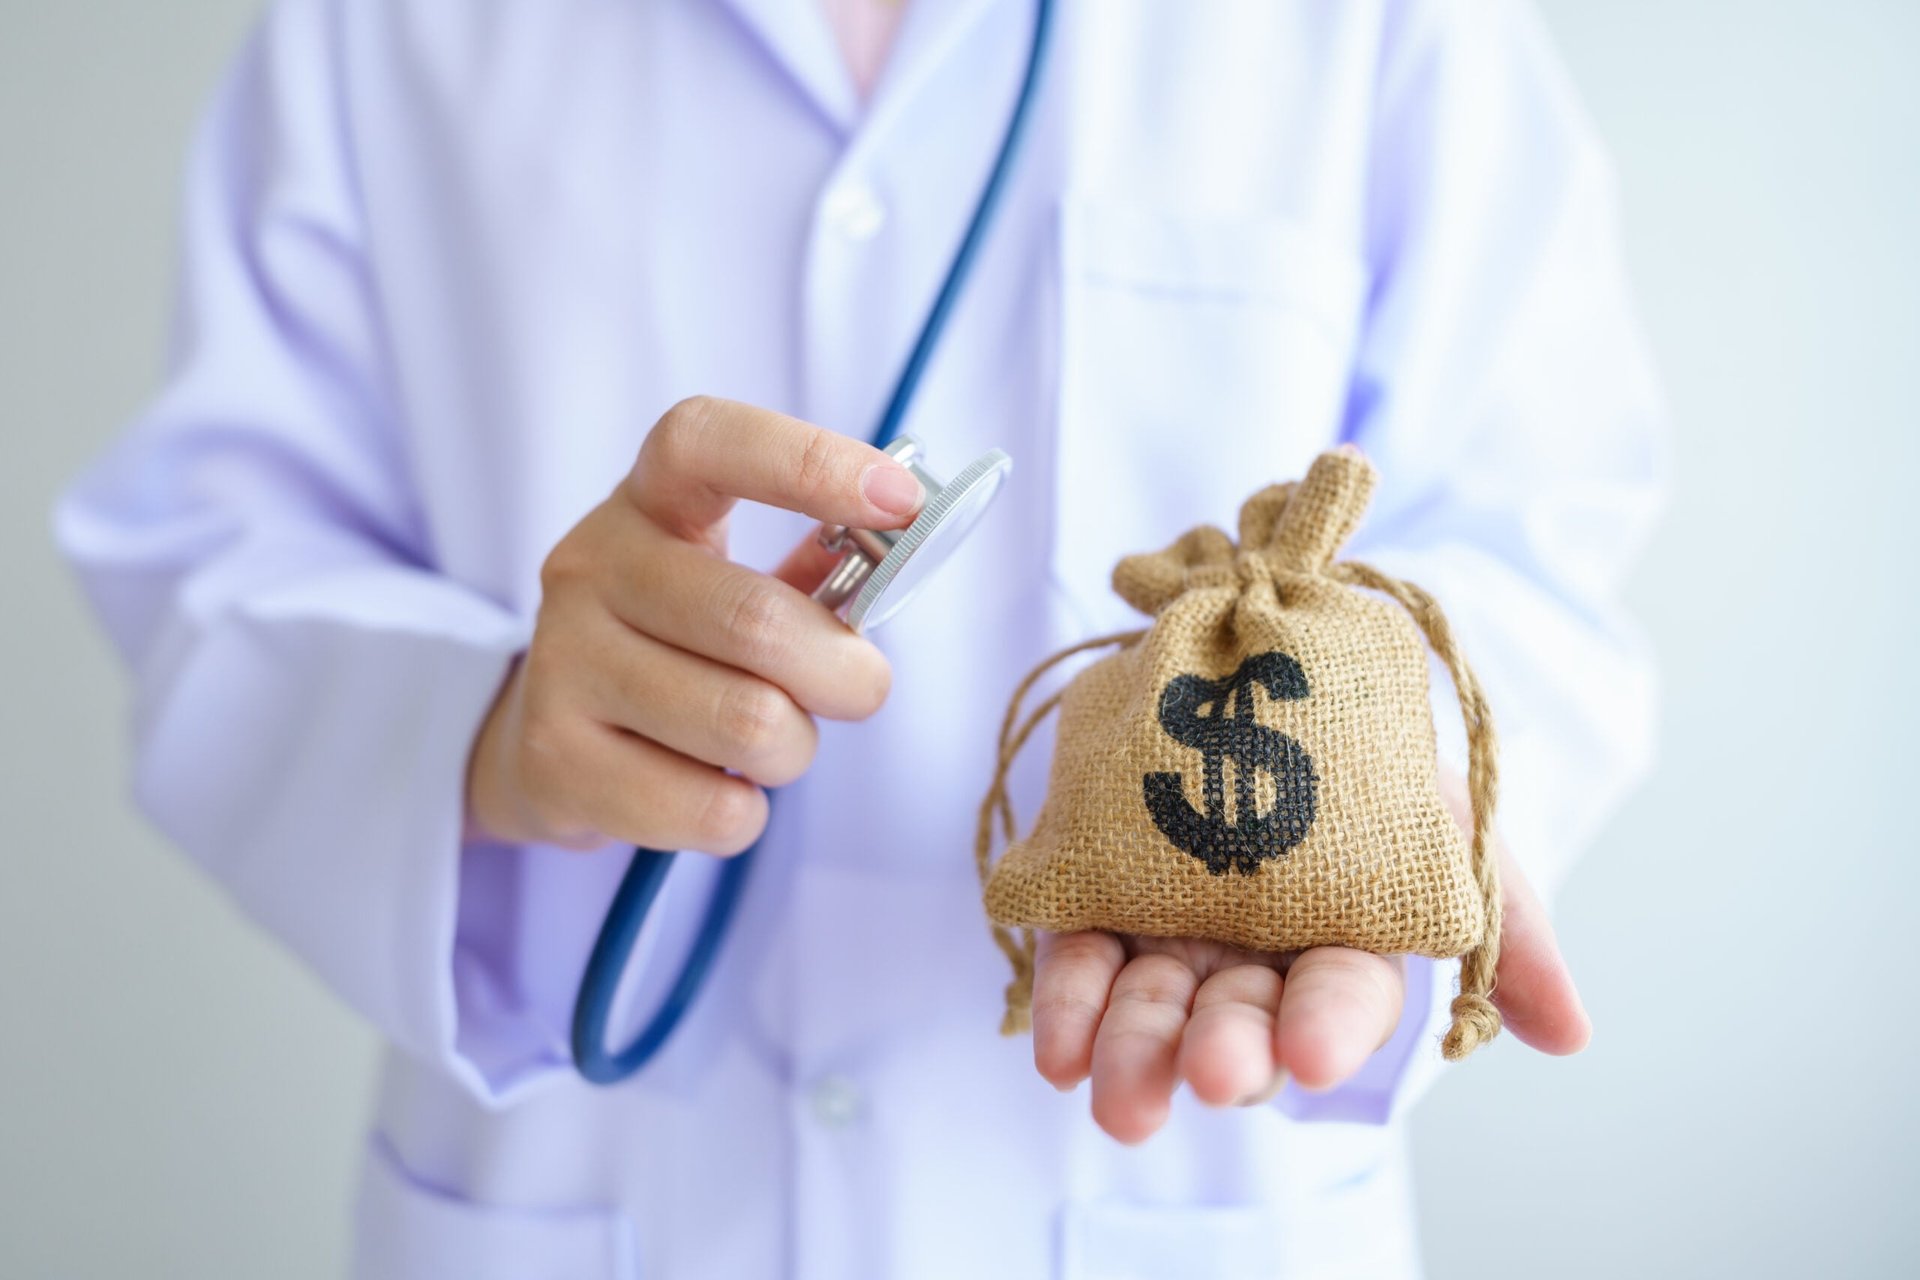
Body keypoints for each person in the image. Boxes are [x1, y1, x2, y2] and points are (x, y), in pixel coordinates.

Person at [55, 0, 1664, 1275]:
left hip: (1177, 1193)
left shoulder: (1386, 25)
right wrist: (483, 730)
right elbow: (209, 547)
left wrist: (1388, 785)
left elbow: (1541, 525)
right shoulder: (379, 30)